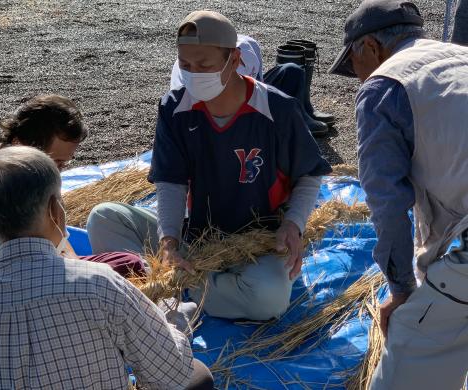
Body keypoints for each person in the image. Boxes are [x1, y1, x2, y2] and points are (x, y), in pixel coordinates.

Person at [87, 10, 332, 321]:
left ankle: (171, 292)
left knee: (268, 299)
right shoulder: (175, 108)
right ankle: (190, 286)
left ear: (235, 58)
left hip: (257, 245)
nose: (194, 74)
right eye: (186, 66)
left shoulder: (277, 108)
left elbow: (309, 174)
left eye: (204, 65)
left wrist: (293, 224)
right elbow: (171, 183)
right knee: (104, 218)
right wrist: (169, 241)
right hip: (196, 238)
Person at [0, 146, 214, 390]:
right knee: (197, 375)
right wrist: (169, 322)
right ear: (57, 210)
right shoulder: (99, 283)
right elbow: (172, 374)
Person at [330, 0, 468, 388]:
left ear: (371, 48)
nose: (358, 78)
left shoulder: (385, 86)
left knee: (412, 348)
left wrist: (403, 290)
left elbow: (388, 203)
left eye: (354, 65)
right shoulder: (459, 58)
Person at [0, 95, 145, 295]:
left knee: (130, 266)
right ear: (20, 144)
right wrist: (8, 286)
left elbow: (57, 237)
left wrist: (81, 272)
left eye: (63, 165)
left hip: (40, 268)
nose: (57, 172)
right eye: (55, 162)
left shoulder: (34, 172)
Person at [170, 34, 332, 136]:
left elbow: (259, 88)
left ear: (235, 56)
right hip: (207, 110)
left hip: (242, 103)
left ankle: (302, 111)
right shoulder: (189, 67)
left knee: (291, 70)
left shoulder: (249, 47)